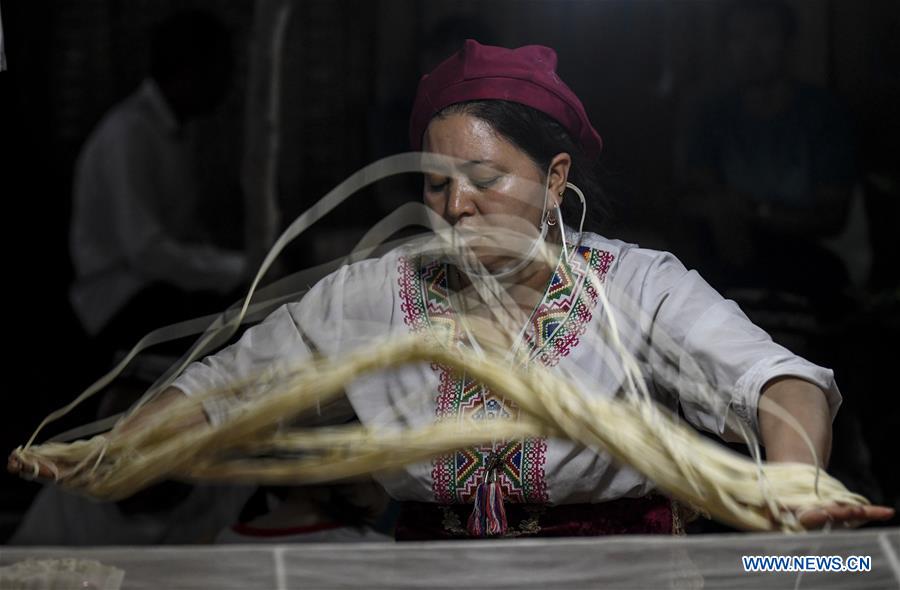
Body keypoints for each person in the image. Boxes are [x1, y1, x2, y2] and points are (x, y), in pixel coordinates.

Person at [14, 40, 892, 538]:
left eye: (484, 178)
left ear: (555, 180)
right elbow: (225, 389)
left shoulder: (635, 287)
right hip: (426, 568)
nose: (455, 205)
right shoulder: (373, 295)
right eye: (435, 184)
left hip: (619, 569)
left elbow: (777, 383)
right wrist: (116, 448)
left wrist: (793, 494)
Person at [69, 10, 248, 358]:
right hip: (119, 299)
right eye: (221, 69)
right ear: (188, 71)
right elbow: (145, 250)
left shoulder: (174, 133)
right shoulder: (130, 133)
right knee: (225, 334)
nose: (229, 82)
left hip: (156, 286)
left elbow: (183, 236)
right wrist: (238, 268)